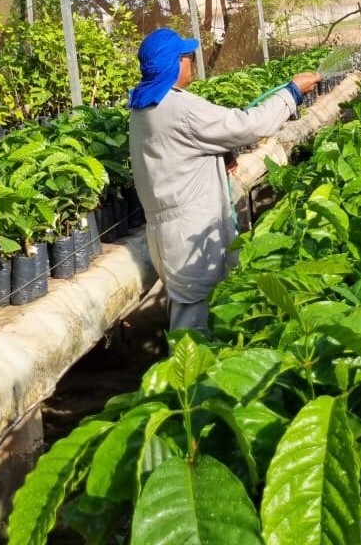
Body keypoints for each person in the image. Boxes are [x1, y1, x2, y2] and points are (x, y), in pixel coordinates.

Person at [128, 27, 320, 334]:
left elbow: (176, 155)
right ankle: (189, 378)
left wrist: (217, 157)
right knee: (194, 326)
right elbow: (249, 125)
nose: (191, 61)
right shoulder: (180, 108)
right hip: (191, 236)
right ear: (175, 63)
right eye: (187, 56)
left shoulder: (145, 107)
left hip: (170, 231)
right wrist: (292, 91)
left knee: (196, 307)